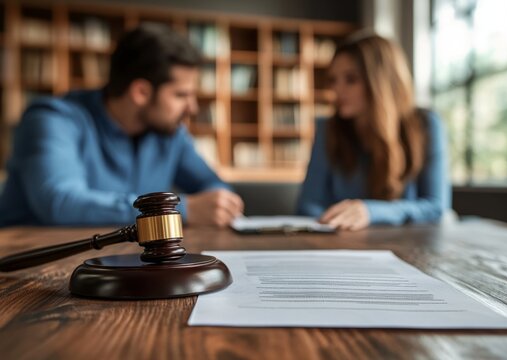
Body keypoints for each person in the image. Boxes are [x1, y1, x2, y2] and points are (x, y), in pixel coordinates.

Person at [0, 24, 243, 227]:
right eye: (181, 95)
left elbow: (212, 187)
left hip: (121, 261)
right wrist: (177, 210)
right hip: (27, 269)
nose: (193, 108)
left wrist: (219, 203)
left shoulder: (168, 133)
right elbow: (61, 203)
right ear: (141, 92)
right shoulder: (53, 119)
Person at [297, 31, 450, 230]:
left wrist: (370, 212)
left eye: (351, 79)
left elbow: (436, 207)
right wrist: (332, 222)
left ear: (381, 82)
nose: (337, 91)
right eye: (333, 80)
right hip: (343, 244)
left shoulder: (425, 125)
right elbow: (308, 205)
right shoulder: (328, 128)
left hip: (408, 247)